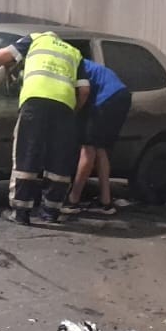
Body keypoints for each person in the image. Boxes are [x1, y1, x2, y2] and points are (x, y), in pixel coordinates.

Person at [0, 31, 88, 225]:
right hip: (64, 106)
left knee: (27, 154)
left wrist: (16, 66)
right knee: (58, 160)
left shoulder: (36, 39)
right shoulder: (74, 53)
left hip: (35, 102)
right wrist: (73, 110)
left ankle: (21, 212)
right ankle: (51, 212)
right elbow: (84, 90)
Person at [64, 57, 131, 215]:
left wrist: (76, 112)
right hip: (120, 95)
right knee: (100, 149)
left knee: (88, 149)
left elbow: (84, 92)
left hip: (105, 99)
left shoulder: (72, 66)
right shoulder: (80, 62)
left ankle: (73, 200)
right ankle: (106, 202)